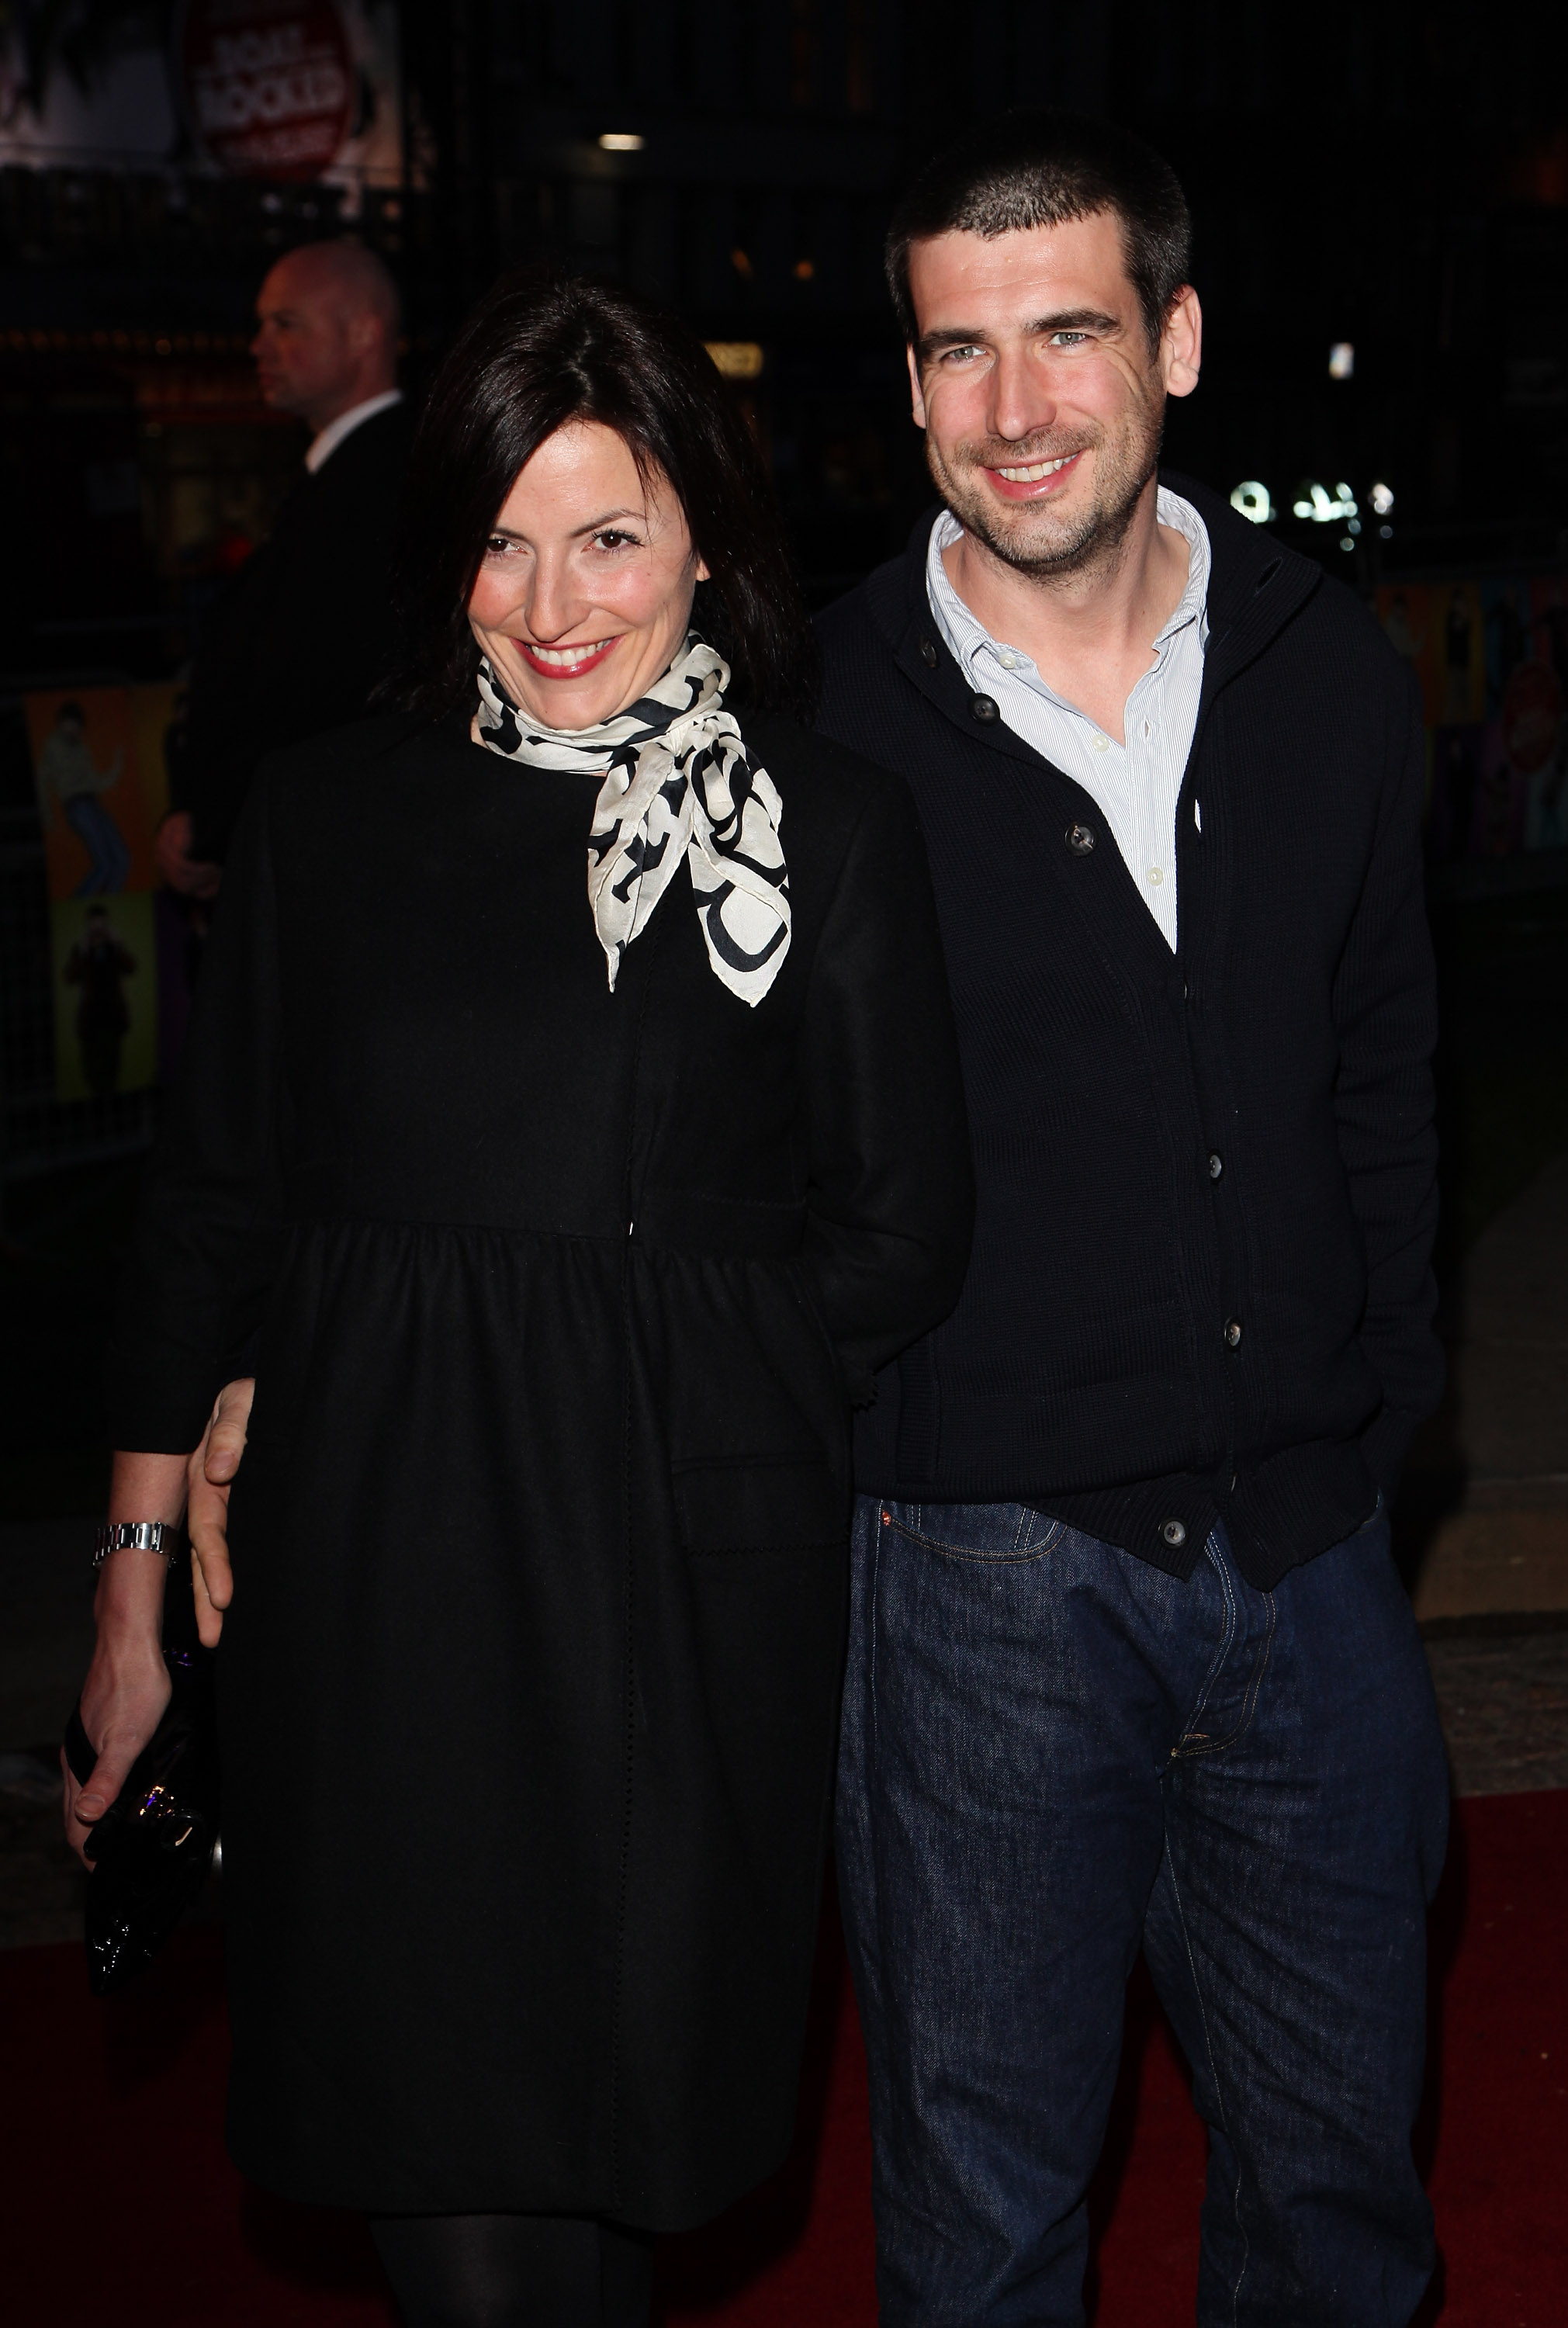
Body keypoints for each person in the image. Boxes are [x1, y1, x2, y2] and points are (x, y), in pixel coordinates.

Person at [67, 268, 972, 2328]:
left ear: (708, 548)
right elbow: (211, 1211)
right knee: (442, 2188)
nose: (551, 602)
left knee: (615, 2174)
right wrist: (130, 1593)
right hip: (370, 1598)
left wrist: (654, 1388)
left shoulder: (820, 837)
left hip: (666, 1598)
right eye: (497, 537)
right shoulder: (324, 820)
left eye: (610, 536)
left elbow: (900, 1233)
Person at [814, 112, 1449, 2327]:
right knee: (982, 2244)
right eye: (958, 350)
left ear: (1170, 340)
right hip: (974, 1578)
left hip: (1309, 1561)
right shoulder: (818, 736)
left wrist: (1382, 1435)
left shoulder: (1327, 675)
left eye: (1065, 333)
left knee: (1337, 2216)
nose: (1012, 410)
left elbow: (1384, 1086)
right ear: (906, 385)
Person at [156, 237, 412, 900]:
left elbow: (317, 688)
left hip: (326, 870)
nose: (257, 345)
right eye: (261, 324)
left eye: (285, 323)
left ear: (363, 334)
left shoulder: (382, 487)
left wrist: (215, 825)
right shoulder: (346, 477)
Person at [35, 702, 130, 895]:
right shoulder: (53, 745)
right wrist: (48, 817)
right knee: (104, 864)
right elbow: (41, 781)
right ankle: (78, 903)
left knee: (122, 859)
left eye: (76, 724)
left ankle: (109, 902)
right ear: (61, 724)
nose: (72, 728)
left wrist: (118, 765)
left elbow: (96, 782)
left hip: (93, 803)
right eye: (68, 723)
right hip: (77, 806)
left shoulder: (82, 748)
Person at [63, 901, 137, 1096]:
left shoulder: (114, 948)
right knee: (91, 1070)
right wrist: (84, 950)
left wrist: (116, 943)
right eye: (93, 924)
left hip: (113, 1017)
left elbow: (131, 967)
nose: (97, 929)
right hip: (90, 1019)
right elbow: (69, 977)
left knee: (112, 1067)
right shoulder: (82, 949)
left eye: (101, 924)